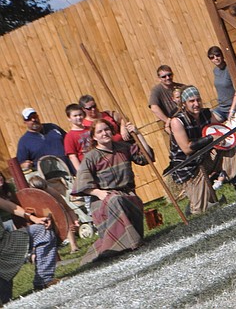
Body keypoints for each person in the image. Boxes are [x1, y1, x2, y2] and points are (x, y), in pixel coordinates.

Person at [71, 119, 153, 265]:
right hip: (103, 201)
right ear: (94, 137)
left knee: (120, 200)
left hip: (128, 196)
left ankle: (125, 242)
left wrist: (138, 134)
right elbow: (81, 184)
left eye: (107, 129)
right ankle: (134, 243)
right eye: (100, 131)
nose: (105, 133)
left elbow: (146, 158)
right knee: (115, 200)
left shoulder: (123, 148)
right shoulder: (91, 157)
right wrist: (98, 193)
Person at [169, 86, 236, 215]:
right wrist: (211, 138)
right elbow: (187, 148)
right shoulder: (177, 122)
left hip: (206, 157)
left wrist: (225, 137)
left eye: (198, 100)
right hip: (188, 167)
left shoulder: (206, 113)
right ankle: (193, 203)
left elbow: (222, 133)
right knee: (202, 210)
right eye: (192, 101)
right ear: (184, 104)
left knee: (229, 148)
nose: (196, 104)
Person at [0, 195, 57, 302]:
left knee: (41, 230)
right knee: (6, 301)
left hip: (6, 242)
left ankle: (44, 280)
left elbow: (9, 206)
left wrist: (33, 218)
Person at [17, 108, 70, 174]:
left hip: (69, 168)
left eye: (34, 117)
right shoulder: (24, 141)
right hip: (49, 177)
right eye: (29, 119)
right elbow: (20, 164)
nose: (33, 120)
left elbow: (69, 140)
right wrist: (24, 165)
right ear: (25, 122)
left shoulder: (53, 127)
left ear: (38, 117)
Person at [207, 46, 236, 123]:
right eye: (212, 57)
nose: (216, 58)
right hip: (221, 108)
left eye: (217, 55)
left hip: (233, 108)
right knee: (209, 124)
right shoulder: (215, 71)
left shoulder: (229, 69)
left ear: (222, 55)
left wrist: (232, 109)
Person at [148, 65, 182, 133]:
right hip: (173, 125)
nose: (168, 78)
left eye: (169, 75)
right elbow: (154, 108)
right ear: (159, 78)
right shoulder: (156, 90)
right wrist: (169, 122)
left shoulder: (182, 87)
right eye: (164, 76)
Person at [63, 103, 91, 173]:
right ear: (69, 118)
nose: (78, 117)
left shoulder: (91, 129)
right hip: (87, 166)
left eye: (80, 114)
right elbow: (72, 156)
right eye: (75, 116)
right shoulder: (69, 137)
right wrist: (82, 172)